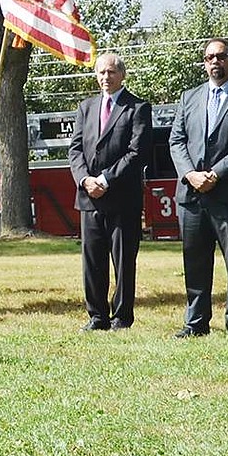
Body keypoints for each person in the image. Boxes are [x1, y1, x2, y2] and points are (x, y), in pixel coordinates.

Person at [168, 37, 228, 339]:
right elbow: (176, 141)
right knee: (195, 262)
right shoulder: (190, 97)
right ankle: (195, 323)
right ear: (204, 62)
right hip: (192, 196)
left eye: (221, 56)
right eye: (210, 57)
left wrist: (215, 173)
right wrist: (189, 174)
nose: (215, 62)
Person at [68, 53, 153, 331]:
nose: (106, 77)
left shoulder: (137, 108)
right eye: (102, 72)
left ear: (122, 75)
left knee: (124, 261)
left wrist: (105, 179)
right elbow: (75, 149)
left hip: (121, 198)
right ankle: (97, 316)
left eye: (112, 72)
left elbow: (137, 152)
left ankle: (121, 317)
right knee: (92, 262)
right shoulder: (86, 107)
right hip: (89, 198)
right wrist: (85, 180)